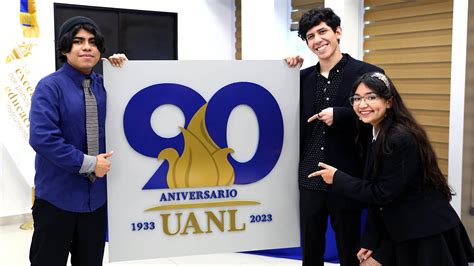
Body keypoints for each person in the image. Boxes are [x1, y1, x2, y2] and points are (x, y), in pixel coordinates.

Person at [311, 72, 474, 265]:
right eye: (357, 98)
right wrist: (371, 240)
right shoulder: (376, 131)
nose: (362, 105)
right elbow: (380, 200)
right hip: (401, 226)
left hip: (425, 231)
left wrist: (337, 178)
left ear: (389, 102)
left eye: (371, 97)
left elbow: (381, 193)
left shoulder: (399, 137)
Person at [286, 7, 383, 266]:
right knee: (311, 250)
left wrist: (341, 115)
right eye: (310, 36)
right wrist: (284, 69)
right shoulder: (301, 78)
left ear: (337, 32)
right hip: (308, 178)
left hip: (346, 177)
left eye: (322, 31)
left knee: (349, 249)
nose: (317, 40)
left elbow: (381, 114)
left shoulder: (368, 73)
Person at [28, 16, 127, 266]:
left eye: (93, 42)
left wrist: (125, 73)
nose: (86, 47)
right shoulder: (49, 87)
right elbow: (43, 138)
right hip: (56, 200)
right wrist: (90, 164)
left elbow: (132, 111)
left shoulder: (107, 86)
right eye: (78, 41)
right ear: (64, 48)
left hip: (95, 202)